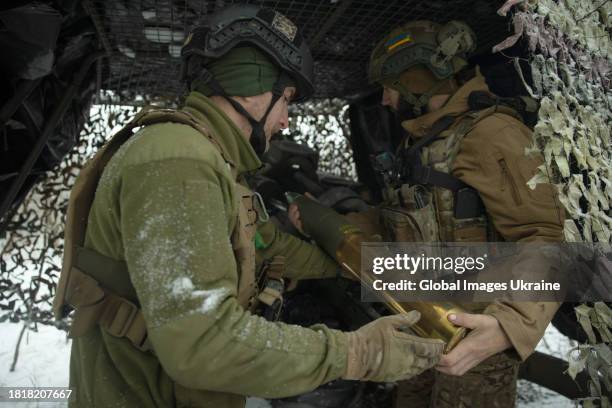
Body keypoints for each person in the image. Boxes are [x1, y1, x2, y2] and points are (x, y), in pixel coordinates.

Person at [52, 6, 445, 407]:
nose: (287, 120)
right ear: (251, 86)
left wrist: (356, 266)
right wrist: (359, 353)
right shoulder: (178, 161)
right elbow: (203, 343)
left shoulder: (211, 161)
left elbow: (268, 246)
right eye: (287, 99)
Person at [291, 20, 565, 407]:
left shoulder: (492, 134)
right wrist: (329, 224)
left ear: (417, 80)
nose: (386, 100)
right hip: (422, 321)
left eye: (390, 87)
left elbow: (546, 235)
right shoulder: (421, 143)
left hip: (475, 340)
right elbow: (395, 220)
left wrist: (508, 325)